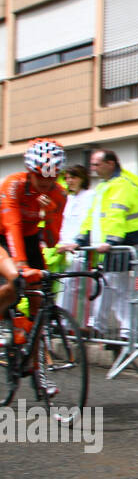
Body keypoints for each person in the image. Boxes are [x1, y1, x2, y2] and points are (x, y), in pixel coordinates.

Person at [0, 139, 68, 395]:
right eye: (41, 178)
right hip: (4, 236)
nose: (47, 184)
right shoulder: (13, 185)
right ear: (30, 172)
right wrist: (21, 266)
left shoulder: (58, 194)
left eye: (53, 178)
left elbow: (51, 240)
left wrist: (50, 214)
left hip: (29, 241)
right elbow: (12, 226)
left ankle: (39, 372)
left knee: (40, 305)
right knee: (16, 279)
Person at [77, 149, 138, 352]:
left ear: (110, 164)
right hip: (111, 246)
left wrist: (112, 241)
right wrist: (82, 237)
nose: (93, 168)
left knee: (120, 290)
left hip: (122, 245)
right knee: (109, 287)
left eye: (96, 164)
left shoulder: (122, 185)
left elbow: (117, 215)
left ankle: (126, 331)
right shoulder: (104, 186)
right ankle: (102, 327)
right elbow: (93, 216)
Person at [52, 164, 96, 325]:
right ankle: (62, 322)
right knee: (64, 286)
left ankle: (81, 323)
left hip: (79, 248)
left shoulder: (90, 195)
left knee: (80, 287)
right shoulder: (68, 198)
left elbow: (87, 222)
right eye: (67, 178)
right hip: (64, 247)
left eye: (73, 177)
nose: (69, 181)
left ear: (82, 178)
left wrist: (77, 242)